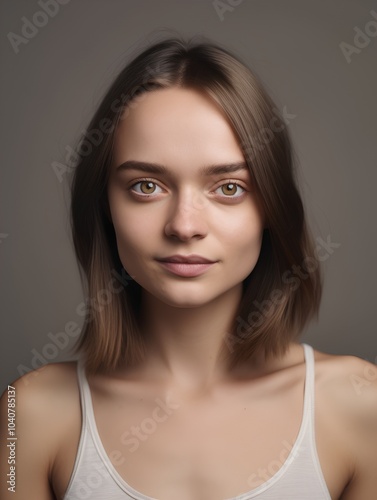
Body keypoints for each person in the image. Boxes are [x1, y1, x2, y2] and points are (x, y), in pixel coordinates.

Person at [1, 34, 376, 500]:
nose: (184, 226)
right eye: (146, 186)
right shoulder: (27, 413)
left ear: (272, 208)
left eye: (228, 188)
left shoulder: (362, 405)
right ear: (103, 208)